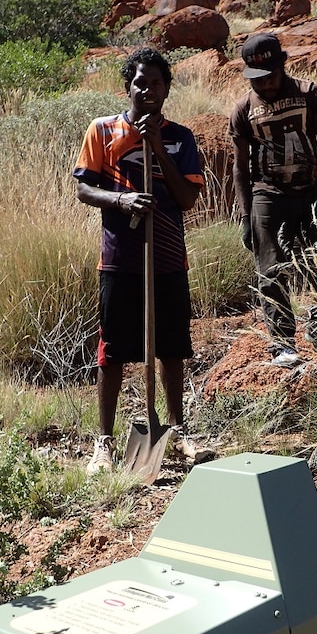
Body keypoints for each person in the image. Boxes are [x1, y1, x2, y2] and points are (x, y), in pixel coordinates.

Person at [74, 47, 213, 474]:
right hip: (120, 257)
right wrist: (121, 199)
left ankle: (179, 432)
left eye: (155, 82)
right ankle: (104, 443)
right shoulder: (102, 130)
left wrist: (157, 146)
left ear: (167, 88)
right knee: (113, 350)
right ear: (127, 87)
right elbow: (83, 189)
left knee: (173, 348)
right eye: (139, 81)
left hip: (169, 256)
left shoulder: (181, 137)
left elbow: (188, 197)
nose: (146, 89)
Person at [230, 33, 317, 366]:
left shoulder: (310, 95)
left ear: (282, 65)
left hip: (308, 191)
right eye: (257, 79)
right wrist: (245, 214)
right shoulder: (243, 109)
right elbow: (240, 167)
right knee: (270, 267)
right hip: (267, 194)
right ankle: (282, 343)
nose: (264, 85)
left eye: (270, 76)